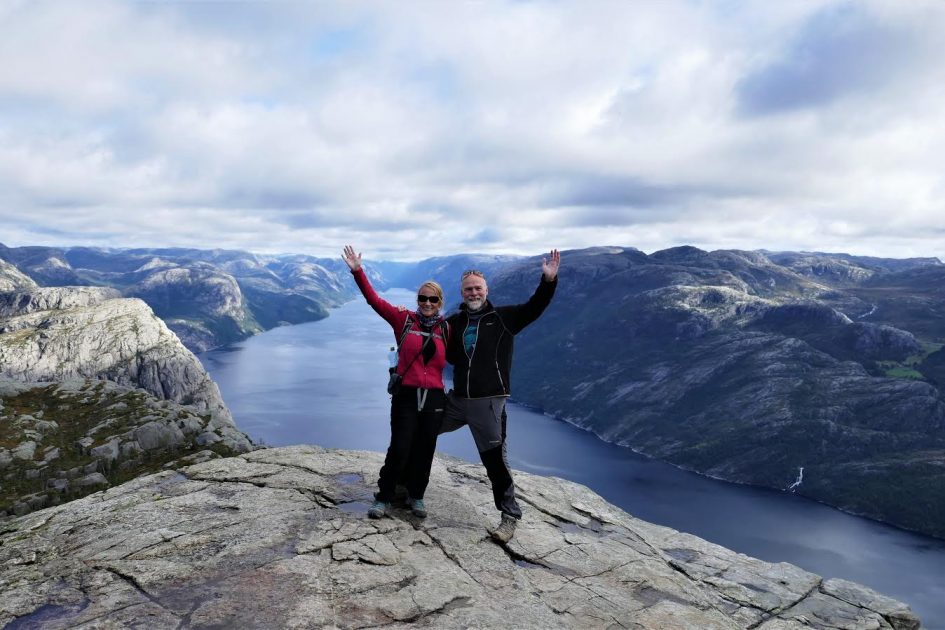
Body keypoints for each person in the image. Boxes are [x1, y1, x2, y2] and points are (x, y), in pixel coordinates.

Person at [441, 249, 560, 543]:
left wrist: (548, 281)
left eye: (477, 288)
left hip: (489, 404)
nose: (473, 292)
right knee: (419, 428)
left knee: (495, 461)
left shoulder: (505, 317)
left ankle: (509, 517)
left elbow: (536, 307)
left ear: (486, 290)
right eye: (468, 289)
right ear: (462, 292)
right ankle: (407, 486)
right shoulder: (454, 322)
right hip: (457, 401)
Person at [342, 245, 450, 520]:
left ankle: (417, 496)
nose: (427, 303)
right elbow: (374, 300)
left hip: (434, 397)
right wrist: (358, 271)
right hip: (406, 394)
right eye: (423, 298)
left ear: (440, 302)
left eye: (433, 299)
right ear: (418, 299)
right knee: (400, 447)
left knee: (425, 449)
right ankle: (384, 497)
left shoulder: (448, 328)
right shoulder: (403, 319)